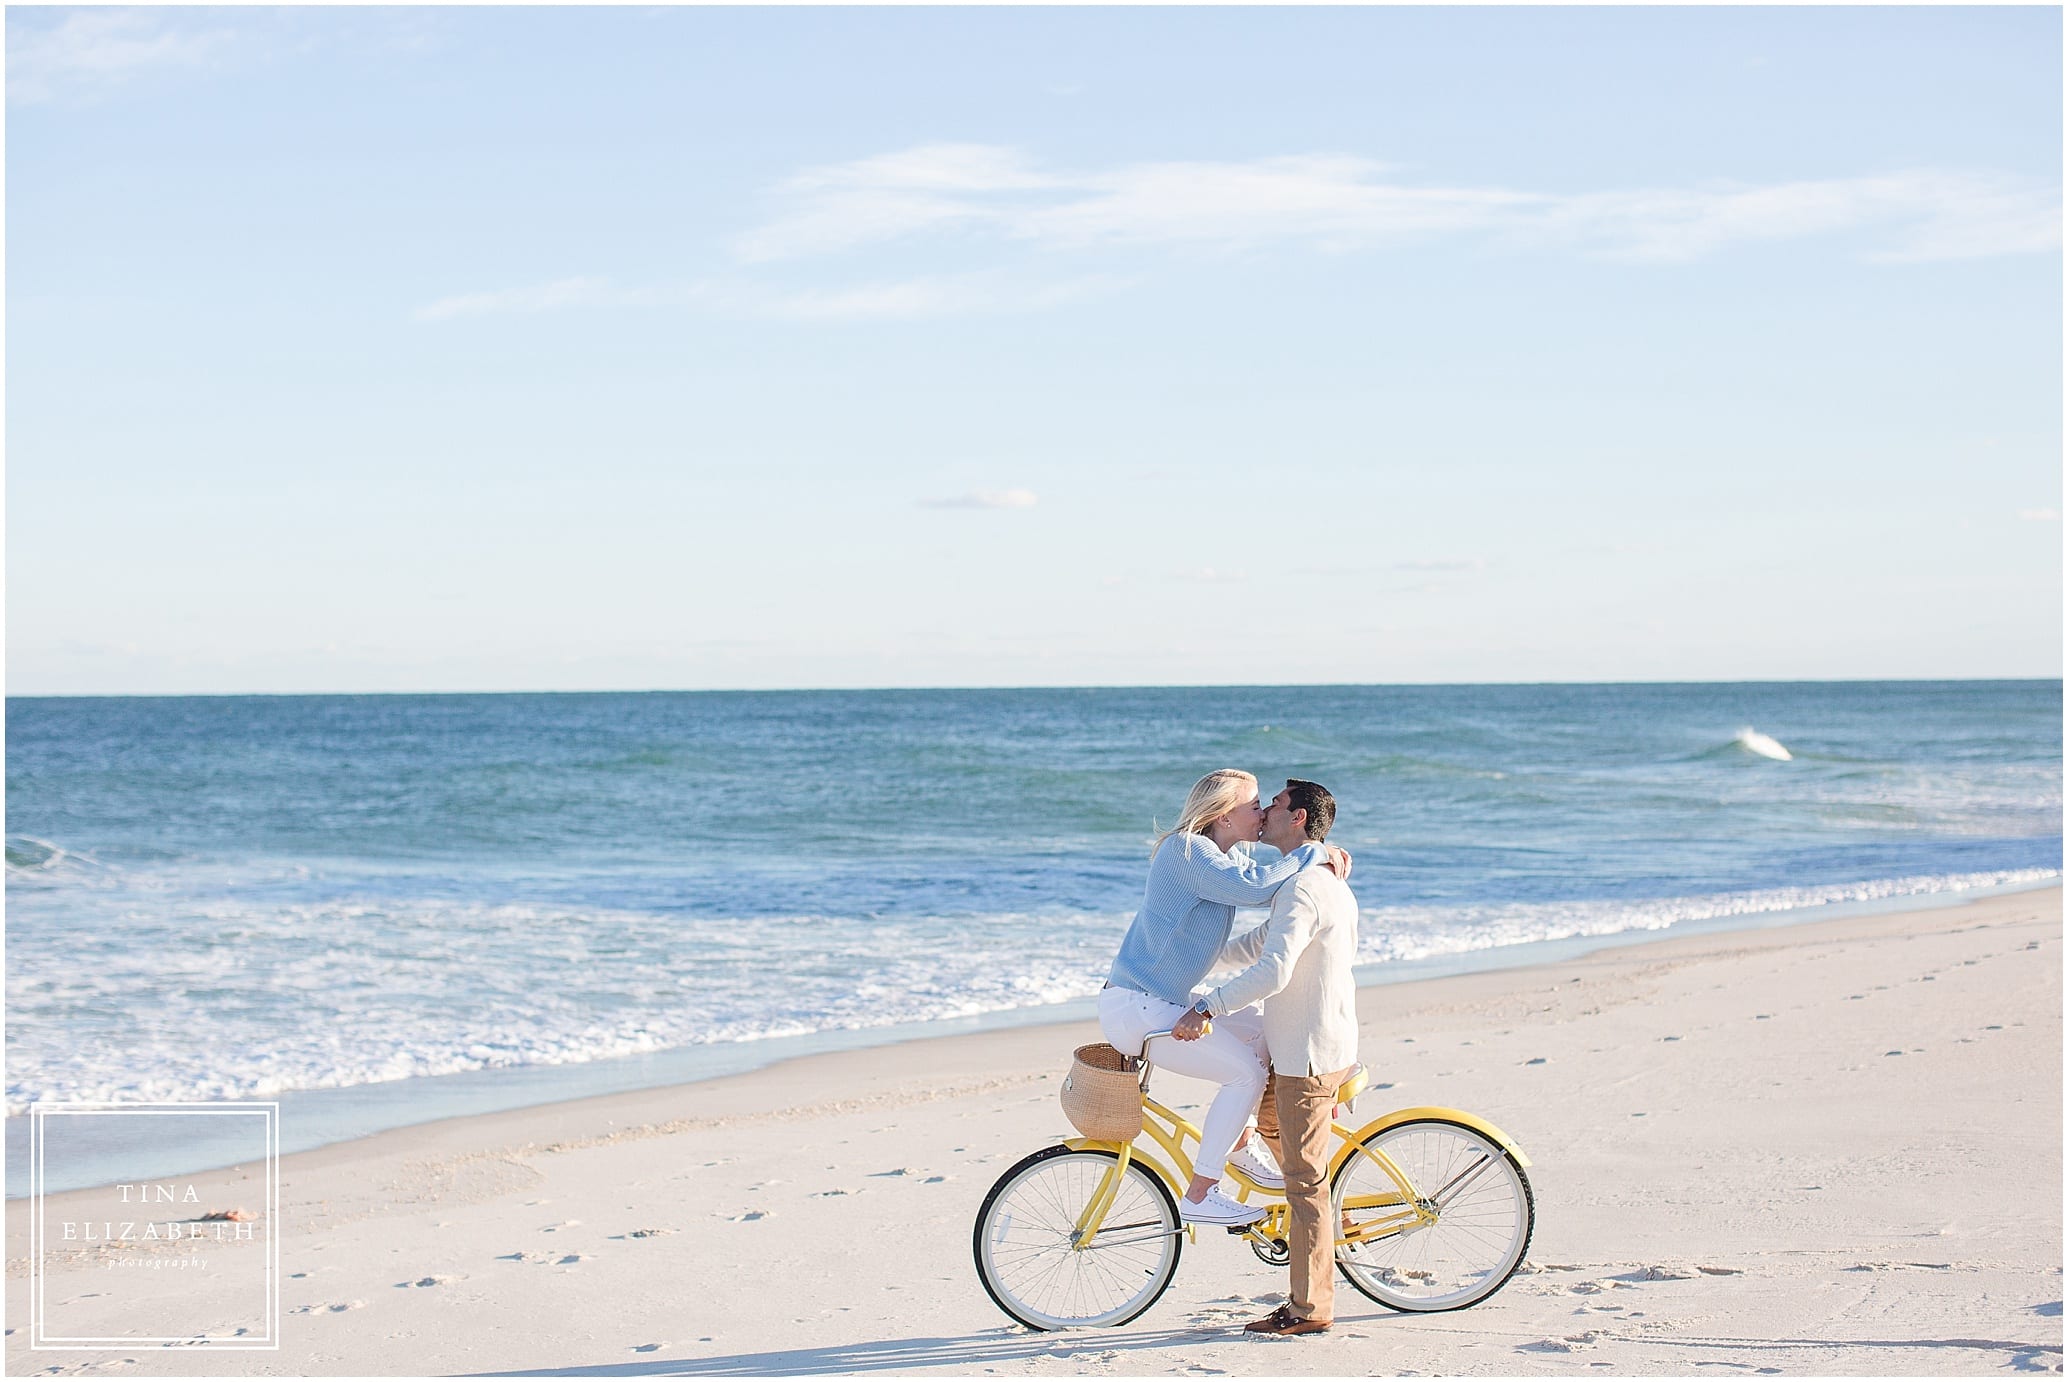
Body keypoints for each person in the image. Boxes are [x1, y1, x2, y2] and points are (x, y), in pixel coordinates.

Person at [1099, 768, 1349, 1228]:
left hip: (1159, 998)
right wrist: (1314, 850)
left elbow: (1253, 906)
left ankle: (1239, 1144)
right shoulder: (1189, 850)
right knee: (1243, 1075)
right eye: (1253, 806)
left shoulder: (1218, 858)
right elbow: (1257, 888)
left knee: (1260, 1027)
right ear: (1223, 816)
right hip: (1138, 1006)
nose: (1262, 813)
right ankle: (1201, 1192)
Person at [1174, 778, 1359, 1336]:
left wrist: (1208, 1007)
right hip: (1301, 1046)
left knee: (1304, 1182)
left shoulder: (1305, 886)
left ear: (1297, 818)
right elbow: (1257, 948)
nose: (1264, 814)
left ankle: (1310, 1309)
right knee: (1281, 1151)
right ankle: (1333, 1228)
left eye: (1274, 805)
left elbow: (1274, 970)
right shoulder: (1313, 878)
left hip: (1306, 1056)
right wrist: (1183, 968)